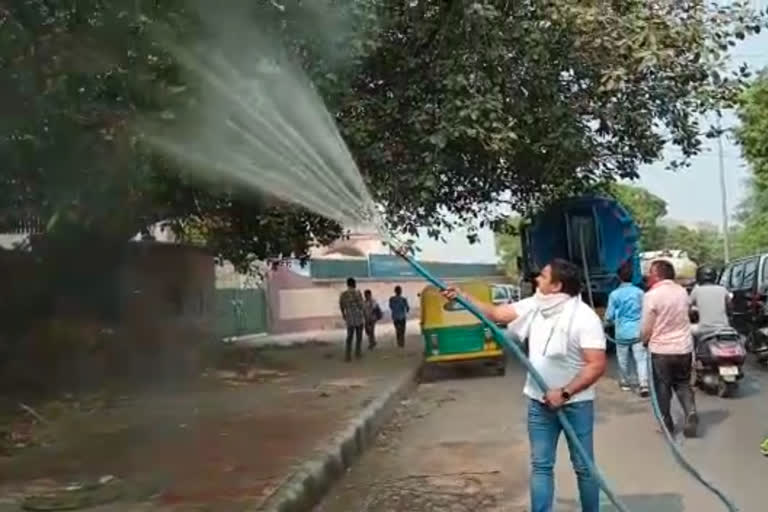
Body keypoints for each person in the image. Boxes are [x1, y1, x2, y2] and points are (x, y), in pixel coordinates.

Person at [444, 259, 606, 512]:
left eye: (543, 276)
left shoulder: (584, 318)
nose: (537, 280)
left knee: (584, 467)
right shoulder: (535, 306)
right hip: (539, 402)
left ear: (557, 286)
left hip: (576, 404)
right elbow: (498, 314)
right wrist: (463, 297)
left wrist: (564, 393)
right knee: (541, 466)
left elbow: (595, 365)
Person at [641, 260, 698, 438]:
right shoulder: (682, 292)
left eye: (650, 272)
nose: (648, 276)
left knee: (662, 388)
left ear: (657, 275)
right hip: (684, 347)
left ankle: (667, 424)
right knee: (682, 383)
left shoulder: (652, 295)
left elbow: (646, 326)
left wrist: (643, 340)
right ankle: (690, 412)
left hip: (661, 350)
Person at [604, 260, 648, 397]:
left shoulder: (614, 294)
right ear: (632, 277)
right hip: (637, 331)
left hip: (621, 332)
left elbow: (609, 316)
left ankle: (625, 383)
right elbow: (646, 311)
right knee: (640, 358)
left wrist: (606, 322)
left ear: (619, 277)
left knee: (622, 358)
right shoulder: (640, 293)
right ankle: (644, 384)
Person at [689, 265, 732, 338]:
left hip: (703, 329)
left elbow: (688, 309)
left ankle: (695, 349)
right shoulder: (723, 290)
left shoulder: (696, 291)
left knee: (687, 329)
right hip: (724, 328)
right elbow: (730, 308)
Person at [339, 277, 365, 361]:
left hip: (349, 318)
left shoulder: (343, 294)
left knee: (349, 337)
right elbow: (361, 306)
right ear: (354, 284)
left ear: (347, 284)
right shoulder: (358, 293)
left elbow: (341, 306)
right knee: (359, 337)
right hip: (358, 318)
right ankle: (358, 353)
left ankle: (348, 355)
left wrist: (344, 314)